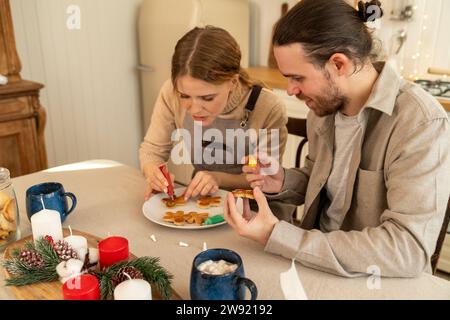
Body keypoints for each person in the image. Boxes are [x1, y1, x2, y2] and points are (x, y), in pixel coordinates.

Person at [224, 0, 450, 278]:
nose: (291, 90)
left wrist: (277, 234)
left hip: (377, 282)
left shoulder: (419, 122)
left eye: (298, 77)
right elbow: (323, 181)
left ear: (338, 64)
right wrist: (282, 180)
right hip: (314, 267)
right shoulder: (322, 110)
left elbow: (407, 250)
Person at [139, 26, 288, 202]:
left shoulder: (267, 107)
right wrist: (153, 172)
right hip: (203, 199)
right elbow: (152, 151)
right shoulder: (169, 93)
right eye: (184, 96)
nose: (194, 109)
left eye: (207, 98)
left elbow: (263, 177)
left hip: (255, 204)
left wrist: (217, 178)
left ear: (232, 82)